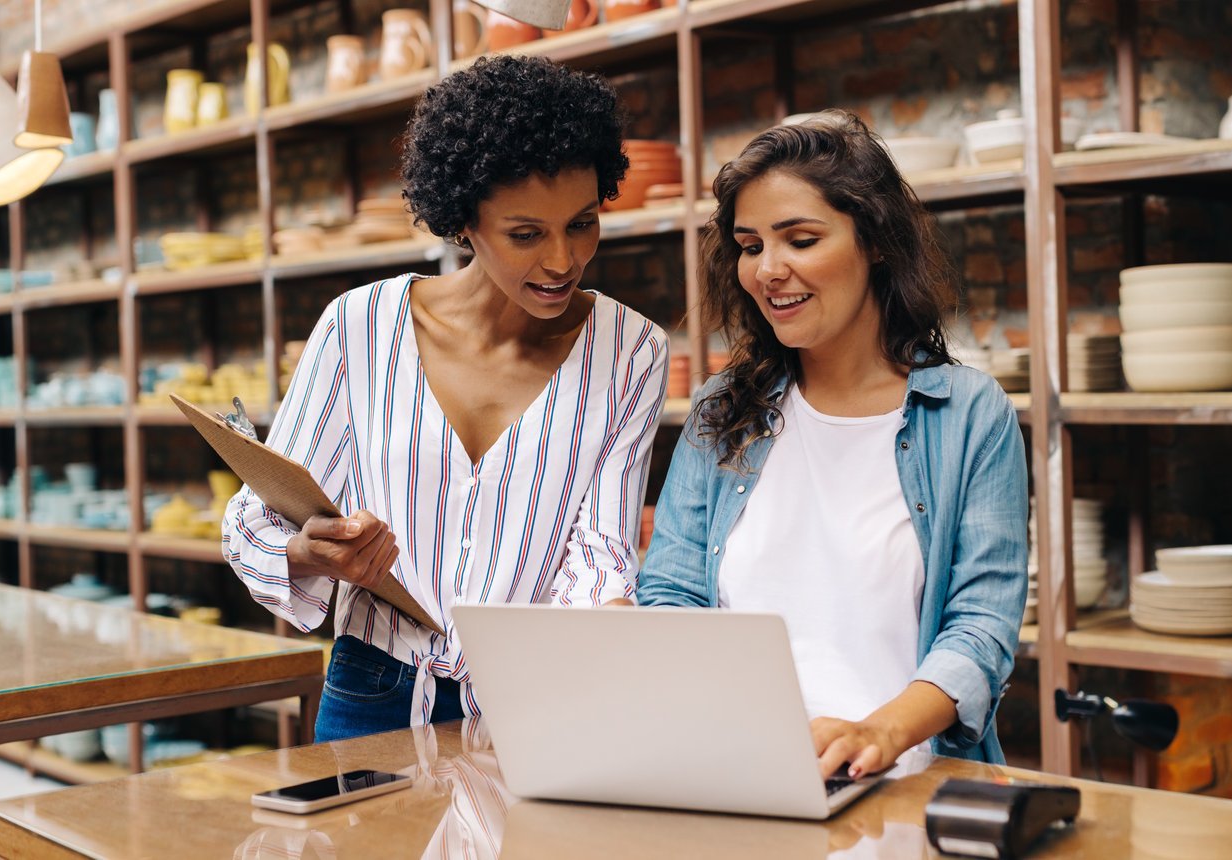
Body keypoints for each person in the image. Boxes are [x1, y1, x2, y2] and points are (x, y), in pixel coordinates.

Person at [224, 55, 668, 743]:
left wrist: (622, 639)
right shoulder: (360, 326)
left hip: (539, 700)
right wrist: (317, 554)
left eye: (581, 223)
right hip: (372, 688)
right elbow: (259, 518)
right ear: (464, 221)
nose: (561, 260)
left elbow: (600, 550)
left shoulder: (632, 349)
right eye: (526, 234)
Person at [634, 111, 1027, 777]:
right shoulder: (722, 411)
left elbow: (981, 626)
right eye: (751, 245)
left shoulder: (966, 414)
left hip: (899, 778)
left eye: (801, 239)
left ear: (873, 241)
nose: (768, 270)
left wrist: (878, 733)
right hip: (739, 772)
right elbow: (670, 593)